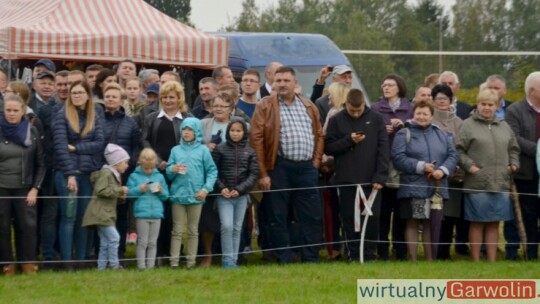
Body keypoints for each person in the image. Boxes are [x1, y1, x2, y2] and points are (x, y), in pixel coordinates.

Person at [251, 66, 324, 263]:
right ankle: (283, 258)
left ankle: (310, 258)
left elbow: (319, 134)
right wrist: (263, 174)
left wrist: (316, 162)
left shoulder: (309, 105)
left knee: (312, 216)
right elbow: (256, 140)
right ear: (273, 83)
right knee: (277, 216)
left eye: (286, 81)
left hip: (307, 168)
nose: (282, 84)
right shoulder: (264, 105)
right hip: (279, 167)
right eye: (278, 81)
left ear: (295, 83)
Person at [454, 89, 519, 262]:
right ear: (478, 104)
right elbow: (458, 150)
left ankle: (491, 261)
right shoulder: (467, 125)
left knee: (494, 223)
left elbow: (514, 148)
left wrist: (513, 164)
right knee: (477, 222)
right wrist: (470, 166)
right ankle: (475, 260)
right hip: (477, 183)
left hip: (501, 183)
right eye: (483, 104)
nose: (487, 108)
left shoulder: (504, 125)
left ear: (497, 106)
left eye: (490, 105)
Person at [325, 89, 389, 261]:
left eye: (358, 110)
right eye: (352, 110)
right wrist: (349, 140)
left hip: (372, 181)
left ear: (363, 105)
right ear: (346, 104)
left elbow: (383, 150)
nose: (355, 113)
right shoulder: (336, 120)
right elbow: (328, 147)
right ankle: (353, 254)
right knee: (349, 219)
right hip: (346, 180)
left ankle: (369, 254)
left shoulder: (376, 119)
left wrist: (380, 176)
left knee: (372, 220)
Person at [391, 100, 458, 261]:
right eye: (418, 113)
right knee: (413, 222)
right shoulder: (404, 133)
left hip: (436, 187)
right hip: (412, 186)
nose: (421, 117)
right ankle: (413, 259)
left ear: (431, 116)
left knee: (431, 222)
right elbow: (398, 158)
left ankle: (430, 259)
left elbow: (453, 155)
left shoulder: (440, 133)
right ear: (413, 115)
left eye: (425, 114)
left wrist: (442, 170)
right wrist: (421, 166)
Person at [53, 80, 104, 269]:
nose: (76, 95)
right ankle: (67, 262)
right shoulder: (61, 116)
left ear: (88, 95)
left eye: (80, 92)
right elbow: (60, 147)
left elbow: (99, 143)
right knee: (68, 218)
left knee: (84, 218)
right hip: (68, 175)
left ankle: (81, 260)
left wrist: (76, 148)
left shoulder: (95, 116)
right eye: (73, 92)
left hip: (88, 174)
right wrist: (70, 174)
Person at [142, 81, 191, 265]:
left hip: (179, 174)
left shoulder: (187, 118)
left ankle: (176, 252)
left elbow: (192, 144)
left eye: (172, 97)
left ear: (179, 98)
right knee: (158, 211)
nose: (168, 100)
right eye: (164, 97)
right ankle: (157, 253)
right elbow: (145, 141)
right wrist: (158, 162)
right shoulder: (151, 118)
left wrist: (175, 165)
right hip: (156, 173)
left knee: (175, 214)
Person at [0, 95, 45, 275]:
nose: (11, 114)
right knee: (1, 227)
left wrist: (35, 188)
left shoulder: (32, 132)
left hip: (25, 187)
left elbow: (41, 163)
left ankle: (27, 263)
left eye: (15, 111)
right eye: (8, 110)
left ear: (23, 111)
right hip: (1, 187)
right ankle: (6, 264)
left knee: (27, 226)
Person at [370, 74, 412, 261]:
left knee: (401, 212)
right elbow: (369, 132)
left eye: (390, 85)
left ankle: (400, 250)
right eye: (384, 84)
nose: (386, 88)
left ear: (399, 87)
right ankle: (383, 250)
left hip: (404, 167)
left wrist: (404, 128)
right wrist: (380, 131)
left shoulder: (409, 108)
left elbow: (417, 130)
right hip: (383, 165)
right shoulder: (375, 108)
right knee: (383, 212)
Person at [167, 117, 218, 268]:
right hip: (178, 195)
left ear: (196, 132)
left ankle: (191, 261)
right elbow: (169, 173)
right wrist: (172, 169)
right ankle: (174, 261)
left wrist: (205, 189)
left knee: (193, 230)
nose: (187, 132)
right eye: (184, 129)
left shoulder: (203, 150)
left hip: (197, 195)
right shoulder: (175, 150)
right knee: (177, 230)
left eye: (190, 130)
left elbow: (212, 171)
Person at [199, 92, 240, 267]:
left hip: (232, 177)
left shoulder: (239, 124)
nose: (218, 109)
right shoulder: (203, 124)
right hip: (207, 176)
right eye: (215, 106)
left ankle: (230, 257)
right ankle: (207, 255)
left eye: (222, 106)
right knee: (207, 218)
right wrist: (205, 147)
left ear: (230, 108)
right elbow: (191, 144)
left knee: (231, 222)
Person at [101, 82, 141, 260]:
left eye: (114, 96)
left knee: (122, 215)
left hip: (123, 174)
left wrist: (127, 166)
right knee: (102, 214)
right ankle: (101, 253)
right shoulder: (97, 120)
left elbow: (136, 147)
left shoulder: (130, 122)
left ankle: (120, 253)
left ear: (121, 100)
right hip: (103, 174)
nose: (110, 99)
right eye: (107, 96)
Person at [212, 118, 259, 268]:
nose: (235, 133)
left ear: (244, 132)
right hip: (224, 196)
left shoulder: (250, 151)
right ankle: (227, 260)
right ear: (228, 132)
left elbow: (253, 174)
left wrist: (240, 190)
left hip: (242, 196)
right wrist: (221, 188)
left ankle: (234, 259)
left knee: (237, 227)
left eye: (239, 131)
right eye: (232, 130)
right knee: (227, 226)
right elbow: (213, 171)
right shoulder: (220, 149)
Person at [504, 71, 540, 260]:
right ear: (532, 91)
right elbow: (514, 138)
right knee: (528, 216)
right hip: (526, 174)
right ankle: (530, 254)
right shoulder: (515, 111)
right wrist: (539, 150)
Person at [429, 84, 465, 259]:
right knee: (436, 214)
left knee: (451, 214)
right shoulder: (429, 119)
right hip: (434, 175)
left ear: (451, 100)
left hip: (454, 177)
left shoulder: (459, 122)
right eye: (438, 99)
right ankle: (434, 251)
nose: (441, 102)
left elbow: (463, 147)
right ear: (433, 101)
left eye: (445, 98)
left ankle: (445, 252)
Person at [82, 144, 129, 270]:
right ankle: (114, 266)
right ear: (117, 163)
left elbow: (109, 194)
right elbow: (101, 190)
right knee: (115, 238)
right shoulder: (106, 174)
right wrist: (120, 190)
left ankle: (101, 268)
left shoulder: (113, 175)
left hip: (106, 213)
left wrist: (120, 198)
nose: (127, 165)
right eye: (125, 162)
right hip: (101, 214)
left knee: (104, 242)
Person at [127, 148, 169, 270]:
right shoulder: (134, 176)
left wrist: (161, 191)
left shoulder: (160, 177)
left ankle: (150, 267)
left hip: (157, 214)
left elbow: (166, 196)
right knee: (142, 242)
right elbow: (130, 195)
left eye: (151, 168)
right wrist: (139, 189)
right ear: (141, 164)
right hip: (142, 214)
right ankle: (141, 266)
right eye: (146, 168)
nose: (149, 171)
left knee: (152, 242)